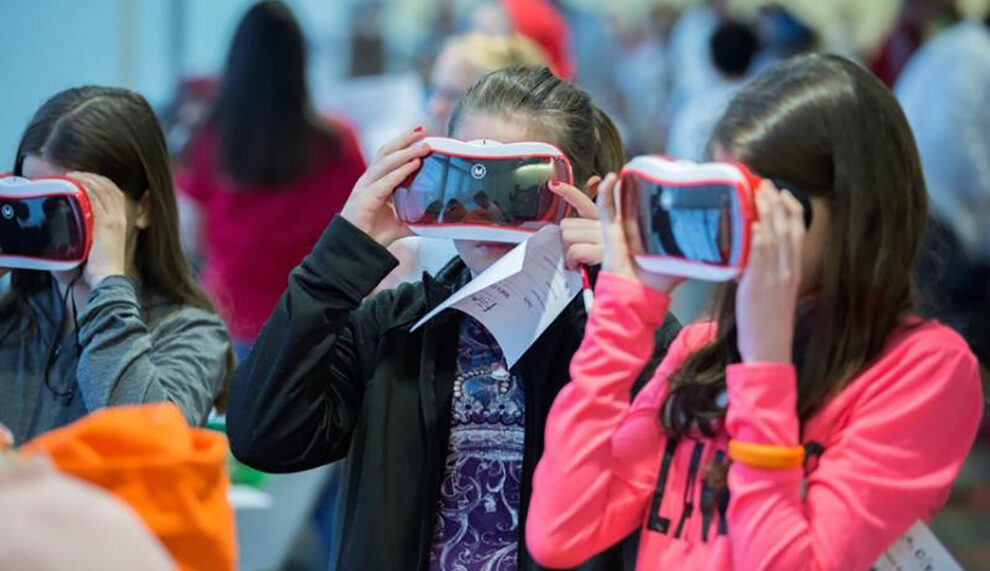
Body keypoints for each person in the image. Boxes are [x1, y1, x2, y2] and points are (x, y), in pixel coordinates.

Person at [526, 54, 984, 570]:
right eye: (727, 198)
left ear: (851, 211)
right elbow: (559, 530)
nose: (738, 233)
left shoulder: (925, 369)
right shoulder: (701, 348)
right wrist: (623, 309)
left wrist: (766, 364)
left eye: (758, 206)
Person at [227, 66, 681, 571]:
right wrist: (340, 257)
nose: (486, 213)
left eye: (520, 190)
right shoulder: (395, 328)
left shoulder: (613, 332)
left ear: (582, 195)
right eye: (467, 179)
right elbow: (263, 434)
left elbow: (666, 469)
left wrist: (623, 297)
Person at [0, 86, 232, 446]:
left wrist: (107, 281)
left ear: (144, 208)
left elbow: (149, 445)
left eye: (73, 201)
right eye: (35, 197)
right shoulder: (13, 320)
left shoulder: (190, 332)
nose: (47, 225)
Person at [176, 1, 366, 356]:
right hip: (314, 327)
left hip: (227, 326)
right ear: (300, 64)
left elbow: (191, 237)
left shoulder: (206, 141)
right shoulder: (337, 144)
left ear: (234, 63)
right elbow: (359, 232)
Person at [378, 31, 549, 292]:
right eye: (434, 90)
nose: (435, 107)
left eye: (453, 95)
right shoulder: (423, 184)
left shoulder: (534, 202)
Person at [666, 20, 759, 162]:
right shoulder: (765, 105)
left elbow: (678, 161)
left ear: (711, 60)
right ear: (755, 55)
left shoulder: (692, 110)